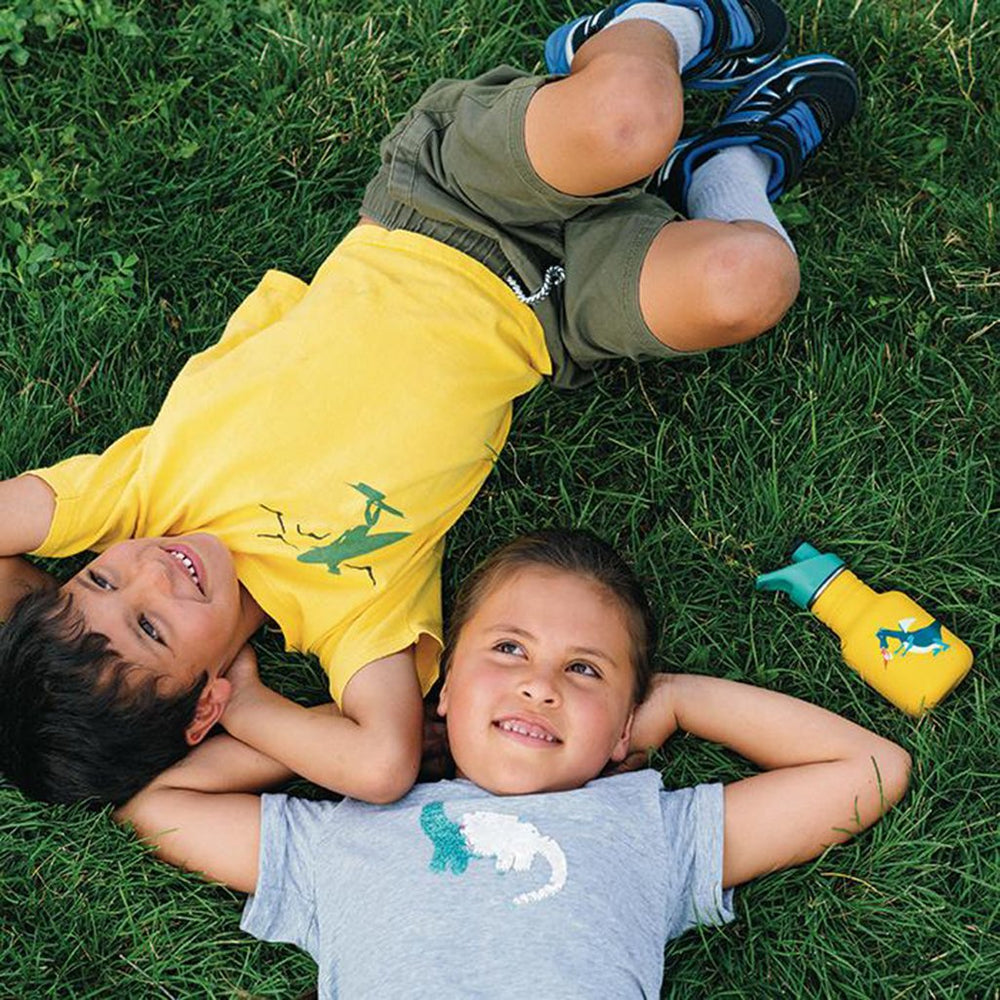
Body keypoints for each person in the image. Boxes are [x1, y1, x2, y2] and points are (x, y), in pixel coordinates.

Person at [0, 0, 860, 807]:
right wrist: (247, 710)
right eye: (152, 627)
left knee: (627, 117)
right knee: (749, 282)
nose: (148, 569)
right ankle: (729, 169)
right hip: (553, 314)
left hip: (441, 202)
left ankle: (647, 27)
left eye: (99, 576)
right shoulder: (350, 617)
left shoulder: (132, 493)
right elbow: (378, 767)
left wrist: (41, 617)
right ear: (201, 700)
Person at [119, 529, 912, 999]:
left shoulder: (650, 830)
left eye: (587, 670)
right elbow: (155, 805)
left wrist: (679, 699)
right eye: (508, 650)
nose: (539, 684)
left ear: (620, 730)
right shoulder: (346, 838)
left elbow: (868, 766)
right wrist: (290, 720)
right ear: (444, 685)